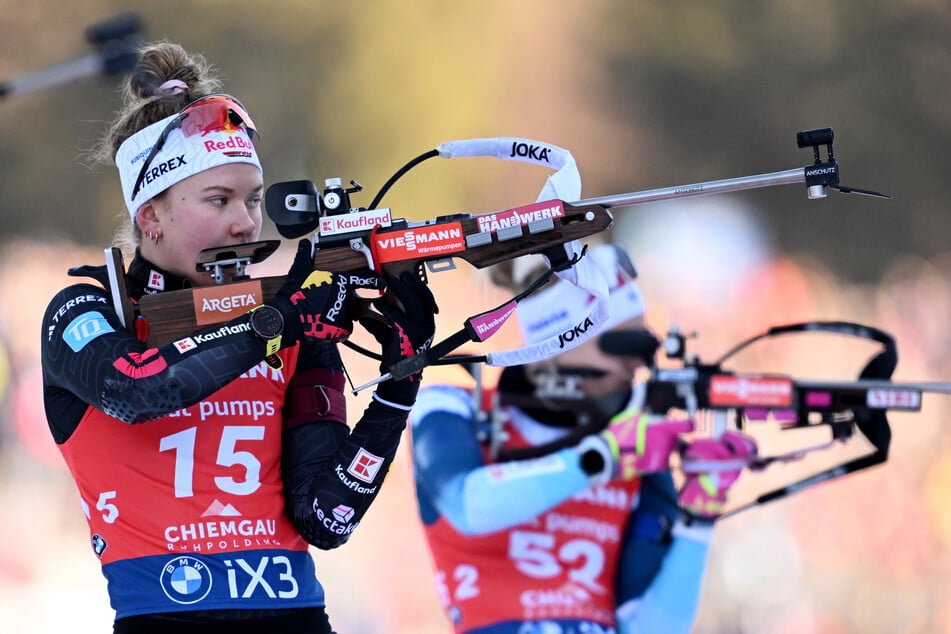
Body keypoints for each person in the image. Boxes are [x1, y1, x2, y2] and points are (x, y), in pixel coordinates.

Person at [40, 41, 437, 633]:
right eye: (218, 200)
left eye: (252, 200)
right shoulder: (89, 308)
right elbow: (139, 389)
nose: (245, 223)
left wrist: (399, 385)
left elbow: (327, 518)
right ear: (150, 215)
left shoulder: (289, 316)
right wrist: (277, 324)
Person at [409, 242, 756, 634]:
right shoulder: (453, 405)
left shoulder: (635, 445)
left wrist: (698, 521)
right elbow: (467, 505)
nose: (636, 362)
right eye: (619, 343)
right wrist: (601, 458)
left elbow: (650, 627)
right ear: (559, 337)